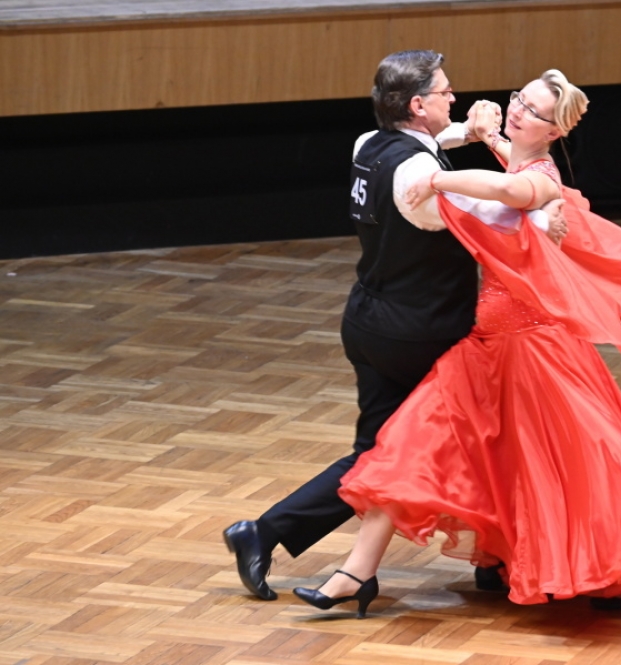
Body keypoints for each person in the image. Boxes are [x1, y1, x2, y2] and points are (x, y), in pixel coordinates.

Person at [290, 69, 621, 617]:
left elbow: (508, 190)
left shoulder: (543, 180)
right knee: (410, 444)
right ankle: (355, 574)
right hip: (486, 341)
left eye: (532, 110)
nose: (517, 110)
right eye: (518, 99)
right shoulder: (516, 156)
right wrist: (480, 133)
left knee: (580, 463)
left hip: (536, 349)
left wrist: (437, 178)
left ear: (554, 131)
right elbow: (503, 161)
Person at [222, 50, 567, 601]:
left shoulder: (368, 145)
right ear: (418, 104)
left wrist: (472, 133)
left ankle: (265, 534)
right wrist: (549, 211)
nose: (454, 97)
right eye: (445, 92)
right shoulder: (423, 184)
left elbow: (429, 143)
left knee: (375, 451)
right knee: (442, 446)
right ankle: (486, 558)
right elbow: (504, 213)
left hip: (368, 319)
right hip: (420, 332)